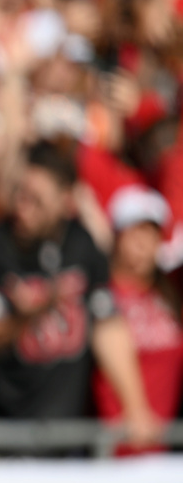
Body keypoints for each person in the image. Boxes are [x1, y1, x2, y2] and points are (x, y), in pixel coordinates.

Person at [0, 141, 160, 453]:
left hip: (69, 437)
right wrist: (30, 314)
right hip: (6, 436)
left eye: (37, 200)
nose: (23, 208)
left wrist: (135, 407)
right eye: (20, 195)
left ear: (66, 200)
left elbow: (107, 325)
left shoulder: (81, 244)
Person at [93, 185, 182, 455]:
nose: (143, 242)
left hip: (166, 453)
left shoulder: (171, 295)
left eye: (152, 232)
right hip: (114, 454)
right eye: (134, 231)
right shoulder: (101, 296)